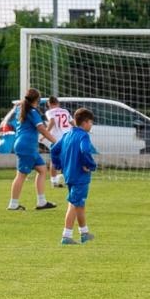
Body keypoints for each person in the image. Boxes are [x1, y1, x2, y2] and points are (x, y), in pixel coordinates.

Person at [6, 87, 56, 212]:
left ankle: (41, 201)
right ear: (37, 100)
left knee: (42, 169)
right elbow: (42, 129)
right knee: (21, 175)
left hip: (25, 145)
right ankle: (13, 204)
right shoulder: (32, 112)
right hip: (27, 145)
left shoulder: (20, 108)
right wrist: (56, 141)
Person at [57, 108, 98, 245]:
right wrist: (90, 164)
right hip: (80, 176)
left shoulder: (67, 135)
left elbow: (53, 149)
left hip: (69, 174)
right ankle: (66, 236)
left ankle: (84, 233)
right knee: (74, 203)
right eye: (91, 122)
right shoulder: (83, 136)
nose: (91, 125)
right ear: (85, 122)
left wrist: (58, 165)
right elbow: (85, 150)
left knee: (80, 203)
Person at [45, 95, 75, 188]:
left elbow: (52, 122)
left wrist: (45, 133)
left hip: (56, 139)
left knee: (54, 160)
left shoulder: (49, 112)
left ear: (49, 105)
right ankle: (67, 179)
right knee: (67, 158)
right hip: (68, 137)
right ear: (58, 103)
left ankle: (54, 181)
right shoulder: (65, 111)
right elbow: (72, 122)